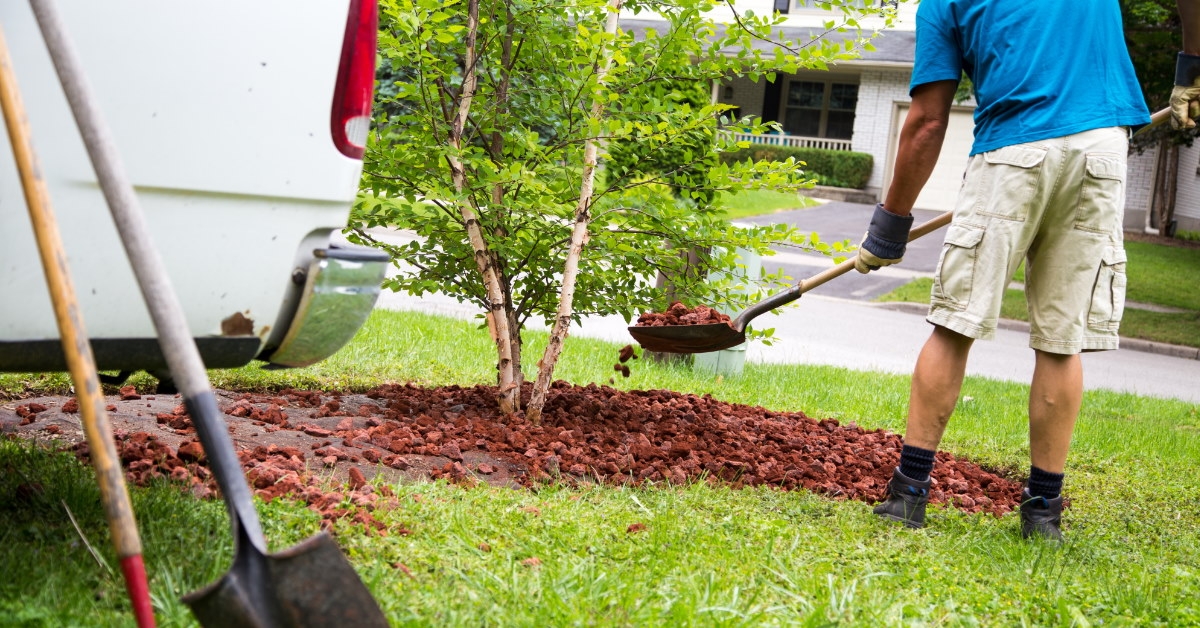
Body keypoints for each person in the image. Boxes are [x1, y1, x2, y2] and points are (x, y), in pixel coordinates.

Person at [854, 0, 1200, 540]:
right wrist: (1192, 67)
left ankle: (908, 496)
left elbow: (925, 121)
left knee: (956, 323)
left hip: (1011, 149)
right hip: (1101, 150)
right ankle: (1042, 514)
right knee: (1062, 339)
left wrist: (889, 225)